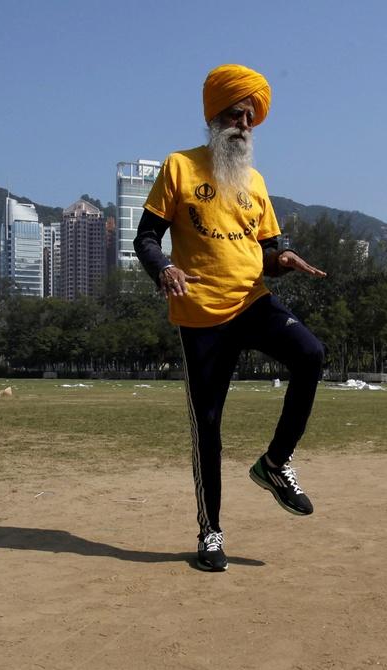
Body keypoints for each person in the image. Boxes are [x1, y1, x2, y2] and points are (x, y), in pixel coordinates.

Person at [133, 64, 327, 572]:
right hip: (201, 313)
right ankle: (211, 531)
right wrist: (166, 269)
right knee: (209, 424)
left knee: (311, 354)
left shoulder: (255, 182)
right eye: (236, 114)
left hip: (253, 300)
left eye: (251, 115)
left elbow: (267, 250)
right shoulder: (180, 167)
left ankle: (275, 464)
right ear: (214, 118)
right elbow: (146, 239)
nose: (245, 123)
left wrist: (282, 260)